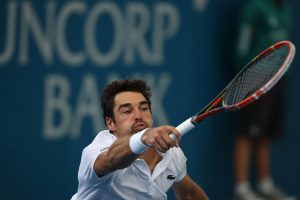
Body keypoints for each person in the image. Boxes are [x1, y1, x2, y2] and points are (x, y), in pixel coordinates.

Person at [71, 79, 209, 200]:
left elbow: (188, 194)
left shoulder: (171, 154)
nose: (138, 115)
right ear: (111, 123)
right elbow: (111, 159)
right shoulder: (95, 152)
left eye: (144, 108)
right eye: (127, 111)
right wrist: (142, 137)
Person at [232, 0, 296, 200]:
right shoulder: (254, 8)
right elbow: (242, 45)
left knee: (265, 131)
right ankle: (242, 188)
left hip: (280, 77)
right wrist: (246, 76)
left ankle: (265, 185)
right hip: (256, 78)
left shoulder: (285, 8)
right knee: (248, 131)